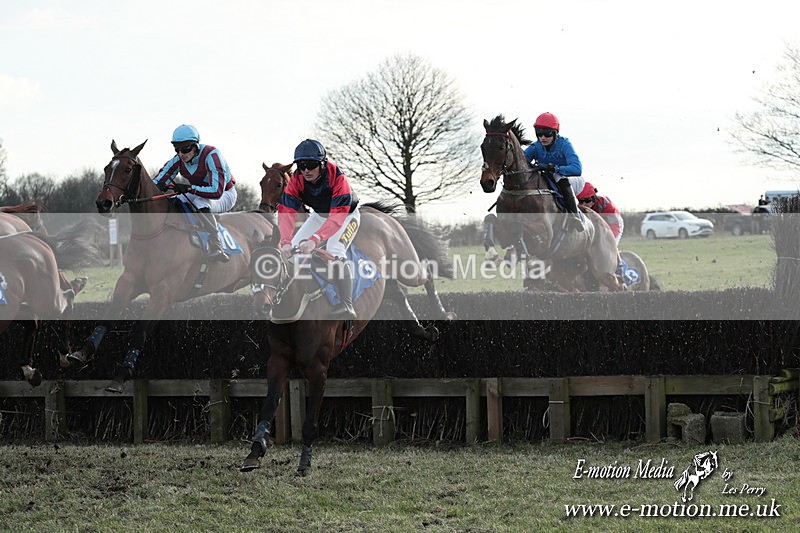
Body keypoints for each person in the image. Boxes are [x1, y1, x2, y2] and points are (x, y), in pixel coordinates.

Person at [278, 139, 360, 319]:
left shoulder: (337, 177)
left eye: (311, 165)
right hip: (319, 215)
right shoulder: (297, 180)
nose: (306, 170)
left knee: (334, 249)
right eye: (301, 166)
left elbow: (337, 217)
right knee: (292, 252)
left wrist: (315, 239)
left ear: (322, 164)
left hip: (346, 215)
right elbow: (286, 212)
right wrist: (285, 241)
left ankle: (347, 304)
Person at [153, 124, 237, 262]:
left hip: (225, 194)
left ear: (196, 146)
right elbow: (157, 181)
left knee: (199, 202)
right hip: (200, 192)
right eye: (177, 149)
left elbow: (216, 191)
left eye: (185, 149)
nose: (181, 154)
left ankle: (216, 244)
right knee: (176, 199)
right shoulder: (178, 159)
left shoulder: (212, 155)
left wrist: (189, 188)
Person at [523, 112, 585, 232]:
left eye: (547, 134)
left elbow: (577, 169)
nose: (543, 138)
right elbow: (522, 161)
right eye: (539, 133)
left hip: (572, 179)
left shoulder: (565, 144)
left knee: (561, 179)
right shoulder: (536, 146)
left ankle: (574, 216)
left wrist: (555, 168)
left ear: (555, 133)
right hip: (549, 179)